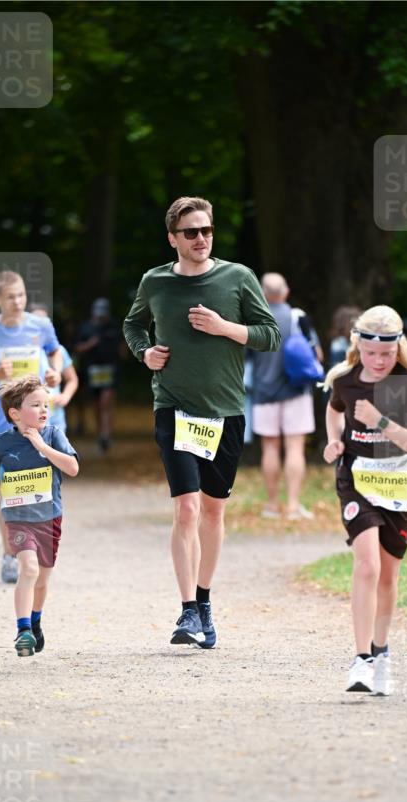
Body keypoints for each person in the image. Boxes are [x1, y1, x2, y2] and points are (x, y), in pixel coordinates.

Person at [123, 195, 280, 648]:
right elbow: (133, 326)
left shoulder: (238, 278)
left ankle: (205, 602)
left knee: (213, 510)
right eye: (191, 232)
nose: (201, 239)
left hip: (225, 411)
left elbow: (271, 336)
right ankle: (188, 610)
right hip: (173, 406)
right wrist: (145, 353)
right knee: (186, 507)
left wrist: (224, 327)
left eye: (206, 230)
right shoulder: (155, 283)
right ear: (172, 238)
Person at [323, 305, 407, 696]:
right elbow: (334, 410)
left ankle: (382, 651)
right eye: (371, 353)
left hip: (398, 485)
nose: (379, 361)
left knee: (388, 575)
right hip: (355, 480)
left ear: (398, 348)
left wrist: (380, 422)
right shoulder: (345, 380)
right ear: (358, 347)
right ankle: (361, 660)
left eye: (387, 354)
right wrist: (334, 440)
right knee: (367, 566)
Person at [0, 271, 63, 584]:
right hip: (2, 422)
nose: (17, 302)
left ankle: (33, 549)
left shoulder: (40, 325)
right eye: (10, 297)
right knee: (11, 487)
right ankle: (10, 554)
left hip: (41, 422)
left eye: (21, 295)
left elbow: (55, 351)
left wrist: (55, 374)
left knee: (39, 483)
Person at [0, 375, 79, 657]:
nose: (44, 410)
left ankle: (36, 620)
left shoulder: (53, 434)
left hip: (49, 517)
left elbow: (73, 468)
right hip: (17, 518)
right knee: (28, 569)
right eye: (35, 405)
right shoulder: (2, 443)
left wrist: (41, 446)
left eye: (46, 404)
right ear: (15, 413)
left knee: (42, 580)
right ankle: (23, 631)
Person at [250, 272, 318, 520]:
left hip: (263, 393)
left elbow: (245, 357)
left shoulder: (254, 319)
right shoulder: (297, 317)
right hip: (296, 391)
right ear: (285, 292)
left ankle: (271, 505)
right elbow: (316, 355)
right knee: (295, 447)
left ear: (262, 293)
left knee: (269, 447)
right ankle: (292, 505)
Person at [73, 298, 122, 452]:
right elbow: (77, 348)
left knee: (105, 402)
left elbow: (122, 347)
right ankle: (101, 433)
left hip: (110, 370)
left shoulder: (113, 326)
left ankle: (106, 434)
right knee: (97, 405)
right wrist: (90, 344)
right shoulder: (86, 327)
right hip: (92, 371)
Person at [30, 306, 79, 434]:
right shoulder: (22, 352)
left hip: (56, 415)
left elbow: (72, 379)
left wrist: (65, 396)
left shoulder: (60, 351)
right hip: (31, 417)